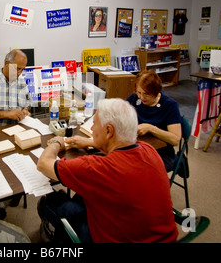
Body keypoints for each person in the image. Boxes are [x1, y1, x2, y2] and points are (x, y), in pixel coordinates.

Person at [37, 98, 178, 243]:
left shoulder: (97, 168)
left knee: (51, 202)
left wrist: (57, 142)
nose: (91, 129)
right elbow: (120, 144)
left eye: (94, 124)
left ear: (109, 130)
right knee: (82, 197)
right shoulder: (149, 150)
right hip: (165, 239)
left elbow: (43, 164)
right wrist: (91, 142)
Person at [126, 70, 182, 172]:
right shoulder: (135, 99)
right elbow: (119, 113)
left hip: (161, 153)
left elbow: (175, 139)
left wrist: (150, 128)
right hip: (137, 148)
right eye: (139, 92)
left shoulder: (169, 105)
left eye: (146, 94)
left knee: (133, 170)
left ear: (156, 91)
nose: (141, 97)